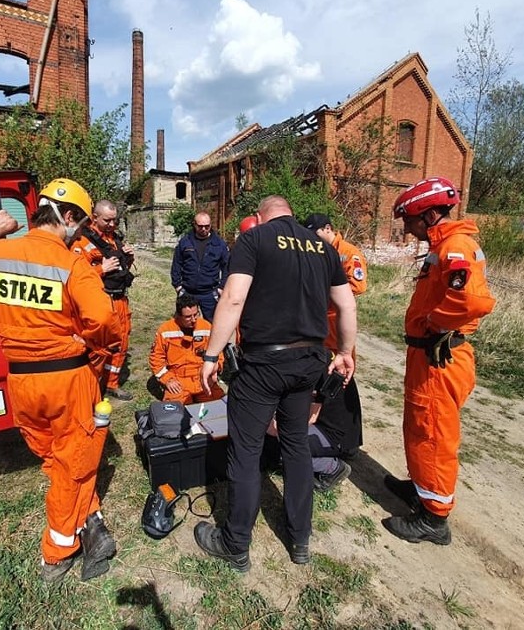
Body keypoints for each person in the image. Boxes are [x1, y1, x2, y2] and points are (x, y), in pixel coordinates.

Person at [0, 178, 123, 582]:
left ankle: (91, 518)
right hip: (68, 380)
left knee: (56, 458)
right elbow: (105, 320)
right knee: (72, 466)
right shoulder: (72, 263)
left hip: (21, 384)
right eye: (81, 222)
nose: (81, 230)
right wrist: (88, 341)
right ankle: (58, 553)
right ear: (69, 217)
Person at [193, 195, 357, 571]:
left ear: (260, 216)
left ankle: (235, 543)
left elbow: (233, 299)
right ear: (292, 213)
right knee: (296, 444)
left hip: (265, 362)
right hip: (309, 361)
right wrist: (345, 352)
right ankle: (300, 539)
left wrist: (210, 354)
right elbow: (347, 306)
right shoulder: (323, 246)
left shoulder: (255, 239)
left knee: (246, 450)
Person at [382, 177, 495, 545]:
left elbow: (472, 301)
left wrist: (435, 323)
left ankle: (433, 518)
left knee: (432, 432)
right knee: (419, 426)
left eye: (410, 221)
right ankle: (422, 488)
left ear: (429, 215)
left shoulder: (455, 246)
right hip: (428, 355)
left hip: (439, 357)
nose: (408, 229)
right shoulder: (443, 245)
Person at [301, 212, 369, 490]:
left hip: (338, 325)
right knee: (327, 380)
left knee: (339, 381)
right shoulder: (321, 251)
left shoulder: (348, 254)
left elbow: (357, 287)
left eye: (315, 234)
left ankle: (344, 442)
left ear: (328, 229)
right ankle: (340, 437)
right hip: (322, 325)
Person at [70, 199, 135, 401]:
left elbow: (121, 267)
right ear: (94, 217)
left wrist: (128, 257)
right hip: (100, 300)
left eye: (114, 221)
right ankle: (90, 387)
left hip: (120, 299)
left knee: (121, 342)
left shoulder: (113, 239)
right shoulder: (82, 242)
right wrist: (101, 269)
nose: (112, 225)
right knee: (97, 347)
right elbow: (75, 276)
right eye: (107, 221)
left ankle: (111, 383)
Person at [148, 293, 225, 405]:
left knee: (219, 408)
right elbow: (156, 359)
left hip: (202, 378)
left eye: (196, 314)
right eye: (188, 317)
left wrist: (213, 372)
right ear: (178, 315)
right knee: (175, 414)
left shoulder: (206, 327)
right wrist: (167, 379)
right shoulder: (165, 330)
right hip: (178, 381)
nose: (193, 320)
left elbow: (218, 353)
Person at [170, 211, 230, 321]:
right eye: (200, 226)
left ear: (210, 225)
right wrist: (178, 286)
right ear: (194, 225)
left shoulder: (219, 244)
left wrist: (221, 288)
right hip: (187, 292)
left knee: (212, 325)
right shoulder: (185, 242)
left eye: (207, 226)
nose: (203, 229)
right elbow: (176, 265)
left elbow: (227, 268)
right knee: (185, 323)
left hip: (210, 293)